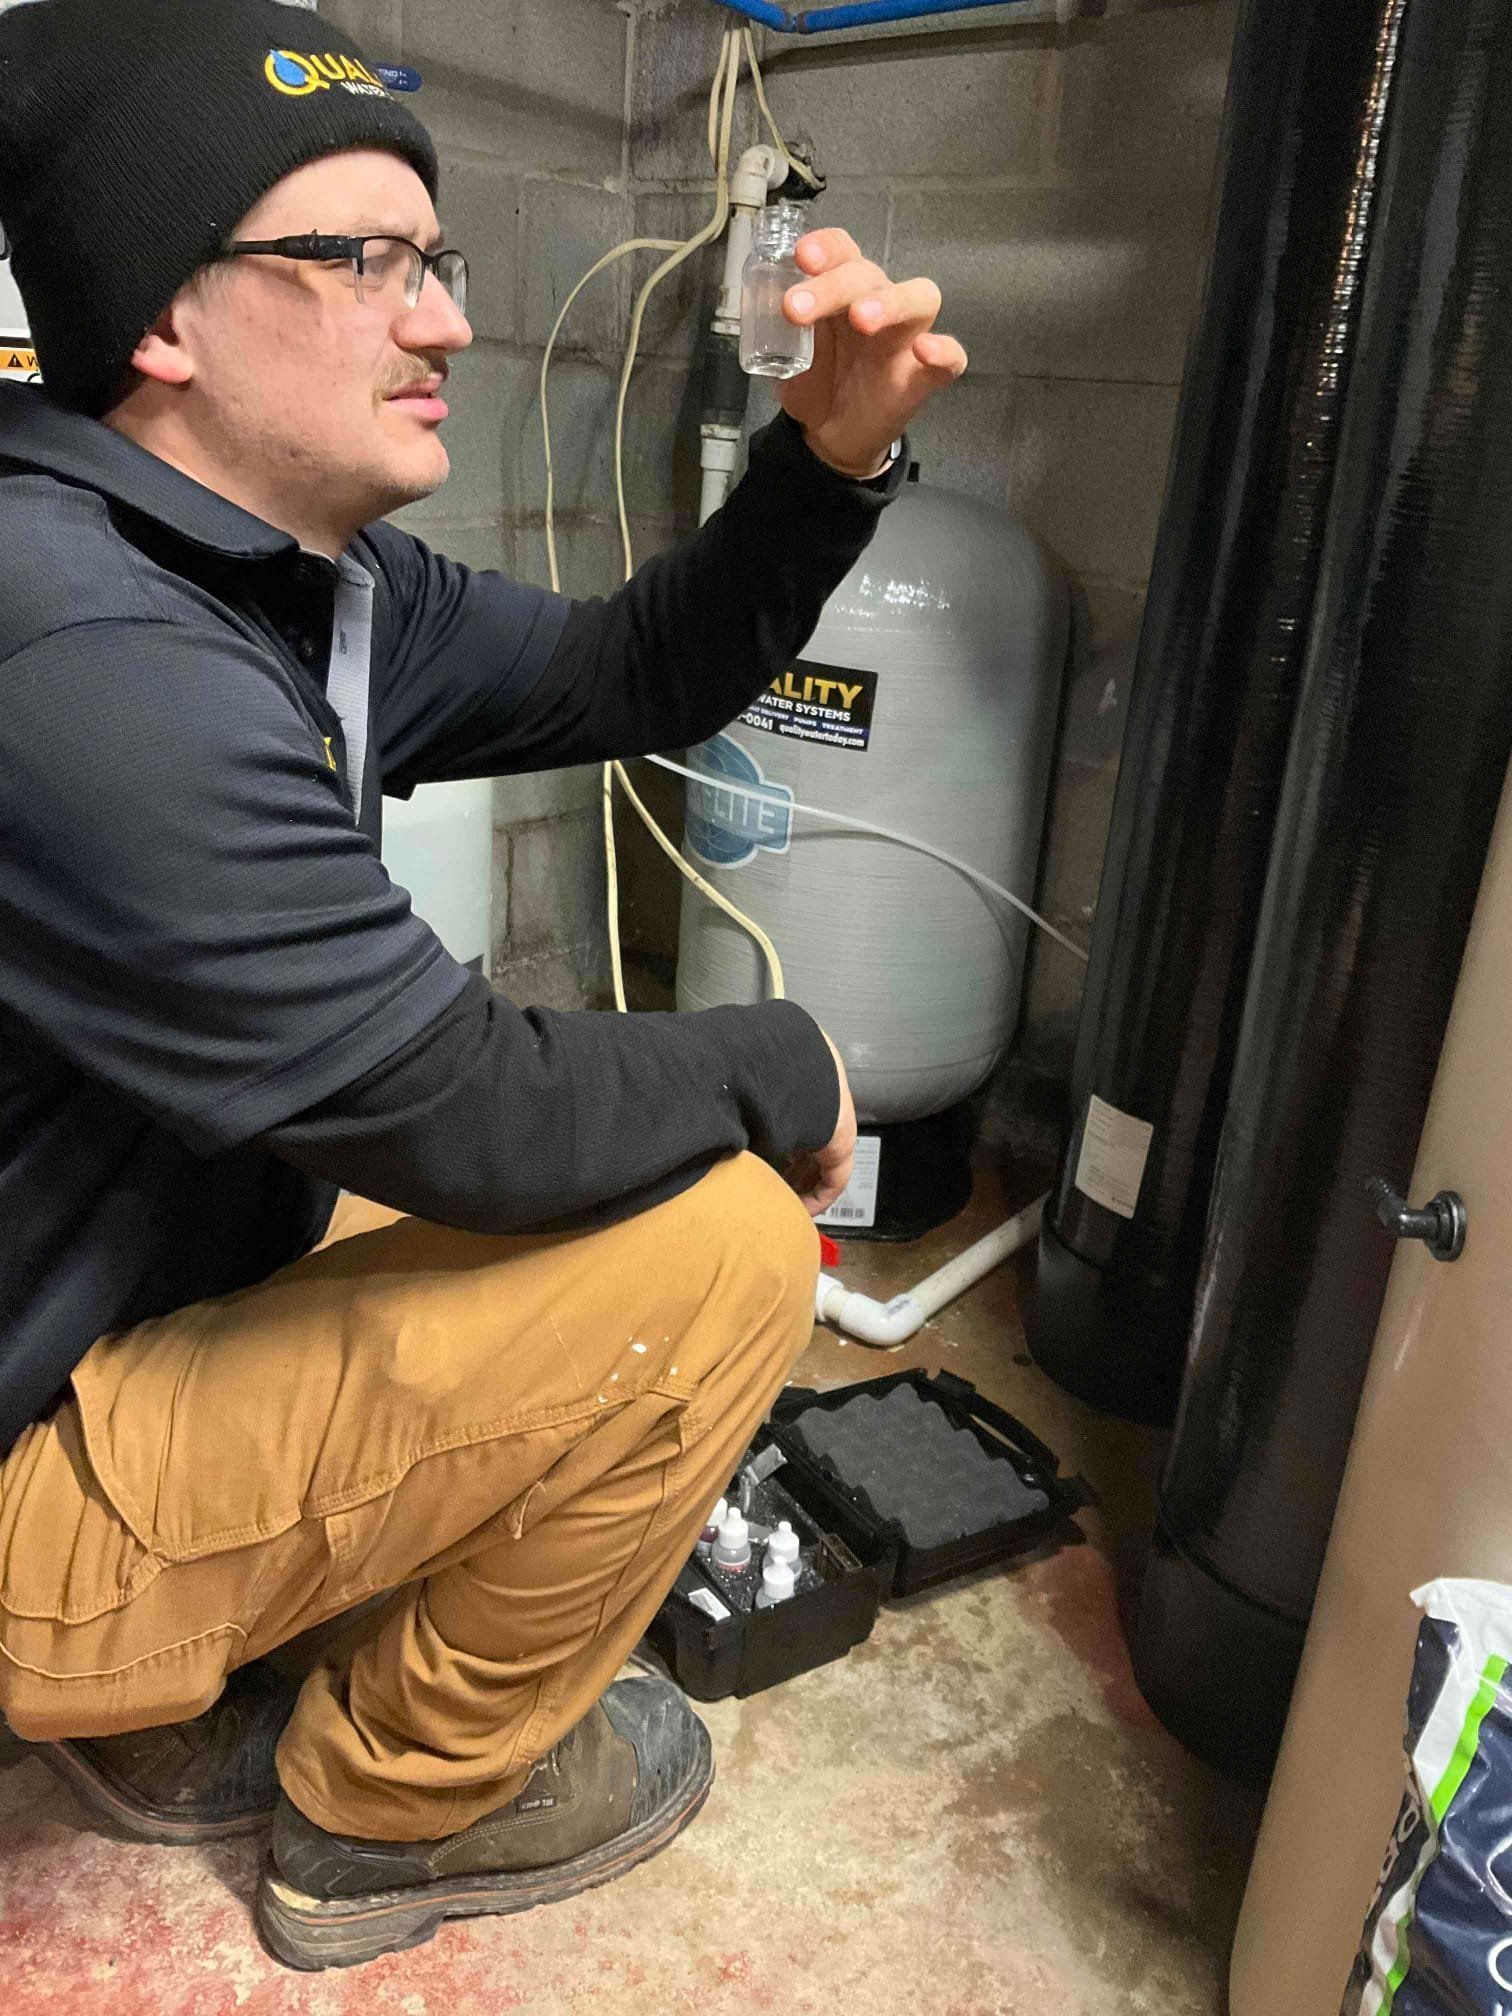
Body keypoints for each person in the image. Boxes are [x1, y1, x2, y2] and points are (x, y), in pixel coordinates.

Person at [0, 0, 966, 1970]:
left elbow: (630, 673)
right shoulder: (80, 646)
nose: (439, 317)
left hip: (106, 1278)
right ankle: (387, 1813)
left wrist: (828, 460)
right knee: (708, 1246)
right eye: (352, 262)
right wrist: (777, 1053)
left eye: (429, 259)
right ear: (158, 321)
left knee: (498, 1199)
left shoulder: (289, 570)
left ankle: (217, 1633)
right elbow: (475, 1113)